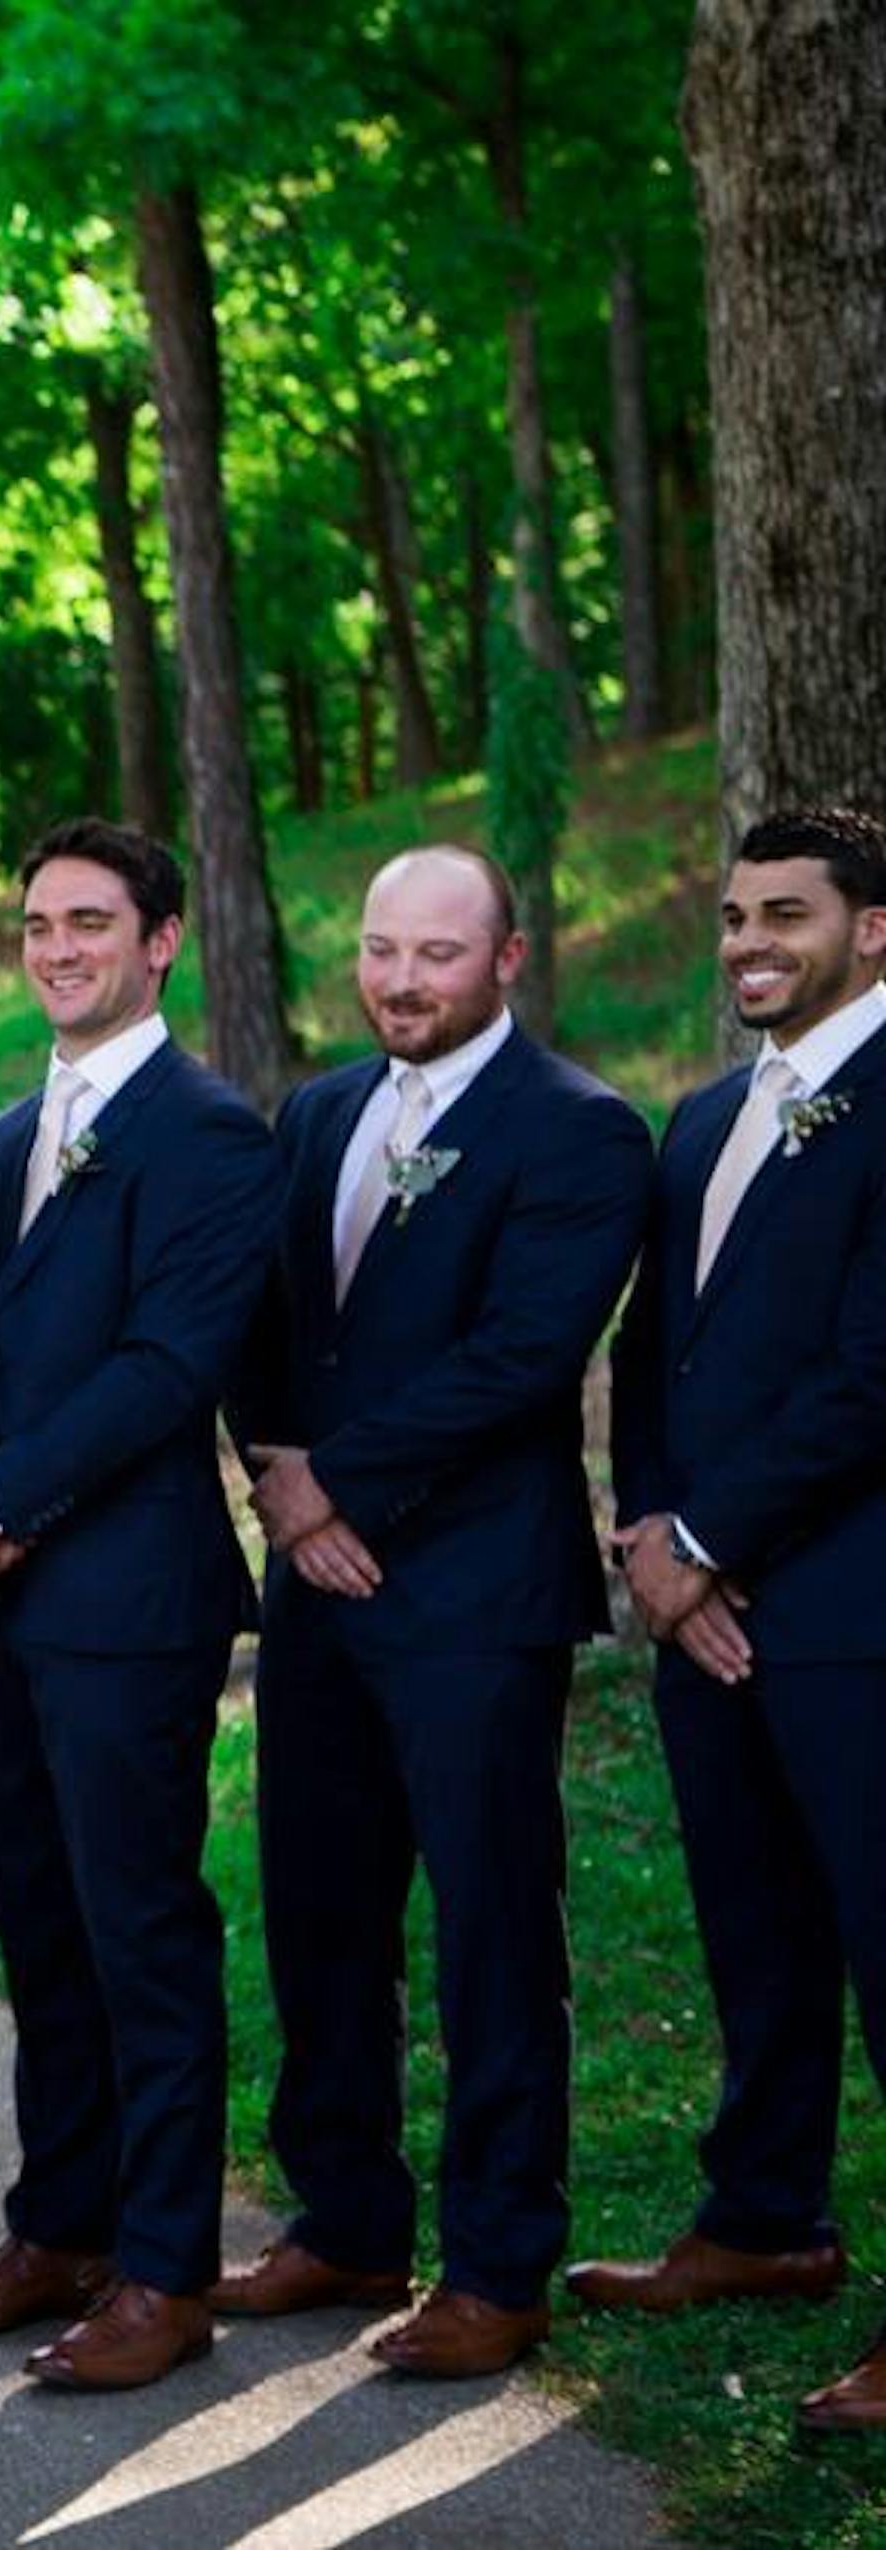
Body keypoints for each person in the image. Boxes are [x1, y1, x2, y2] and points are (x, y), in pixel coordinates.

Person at [222, 848, 648, 2380]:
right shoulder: (319, 1111)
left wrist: (331, 1488)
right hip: (318, 1591)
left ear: (510, 959)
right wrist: (279, 1475)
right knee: (321, 1912)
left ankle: (499, 2260)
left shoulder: (582, 1131)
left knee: (489, 1927)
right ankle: (343, 2217)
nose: (403, 980)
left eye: (440, 955)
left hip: (471, 1592)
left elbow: (524, 1358)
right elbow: (258, 1320)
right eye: (382, 949)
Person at [0, 819, 276, 2391]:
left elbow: (168, 1368)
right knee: (37, 1919)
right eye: (40, 923)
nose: (58, 947)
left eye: (91, 922)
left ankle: (169, 2270)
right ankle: (61, 2222)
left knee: (141, 1929)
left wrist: (6, 1494)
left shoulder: (211, 1133)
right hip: (6, 1603)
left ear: (163, 938)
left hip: (130, 1597)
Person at [587, 804, 886, 2432]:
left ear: (874, 929)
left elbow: (870, 1373)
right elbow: (652, 1353)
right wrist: (650, 1536)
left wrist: (709, 1535)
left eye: (786, 911)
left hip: (855, 1607)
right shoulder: (704, 1119)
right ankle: (769, 2221)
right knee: (757, 1940)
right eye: (730, 915)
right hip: (705, 1612)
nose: (750, 939)